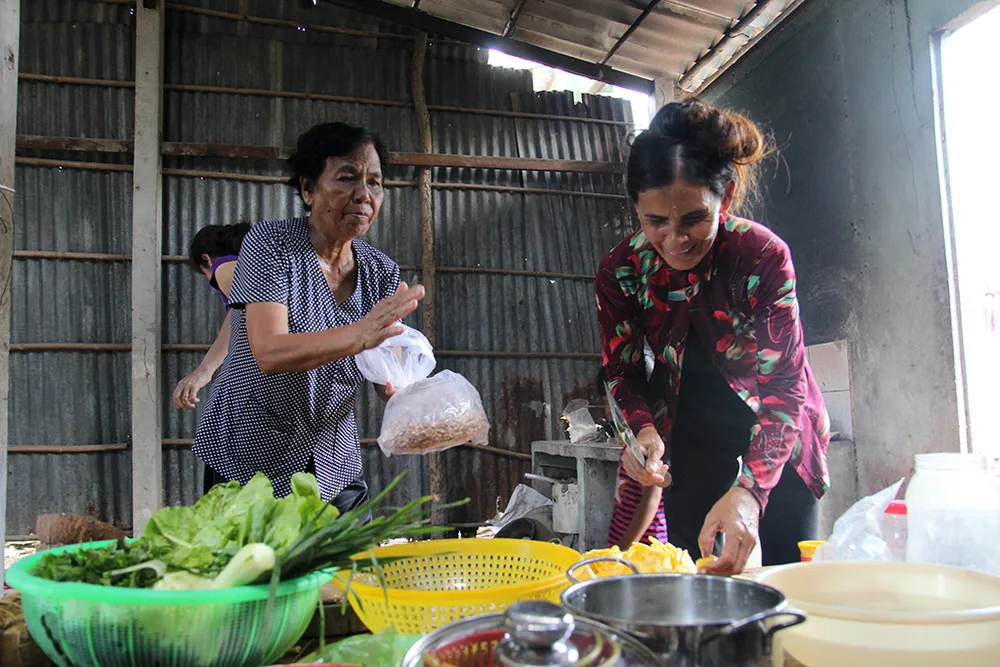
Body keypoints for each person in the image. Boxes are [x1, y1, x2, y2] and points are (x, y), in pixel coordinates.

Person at [595, 99, 830, 575]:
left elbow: (785, 389)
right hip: (689, 444)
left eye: (694, 219)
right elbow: (619, 372)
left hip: (777, 443)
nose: (675, 240)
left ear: (725, 196)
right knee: (695, 585)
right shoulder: (622, 271)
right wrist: (642, 430)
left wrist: (750, 491)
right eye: (655, 221)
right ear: (636, 207)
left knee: (787, 585)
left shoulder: (761, 256)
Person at [192, 121, 424, 513]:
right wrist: (360, 333)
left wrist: (412, 398)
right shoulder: (271, 245)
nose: (364, 195)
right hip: (253, 452)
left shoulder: (380, 270)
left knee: (341, 572)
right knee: (257, 569)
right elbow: (269, 351)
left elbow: (385, 371)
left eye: (375, 182)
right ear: (308, 189)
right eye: (347, 177)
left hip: (333, 457)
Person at [172, 222, 251, 411]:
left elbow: (245, 312)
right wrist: (206, 369)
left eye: (204, 272)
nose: (210, 279)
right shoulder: (255, 266)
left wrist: (204, 371)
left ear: (207, 258)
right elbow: (239, 315)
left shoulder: (223, 267)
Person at [599, 366, 668, 549]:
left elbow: (651, 501)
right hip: (623, 534)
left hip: (644, 545)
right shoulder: (631, 437)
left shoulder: (650, 447)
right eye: (607, 405)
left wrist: (624, 546)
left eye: (612, 405)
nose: (609, 413)